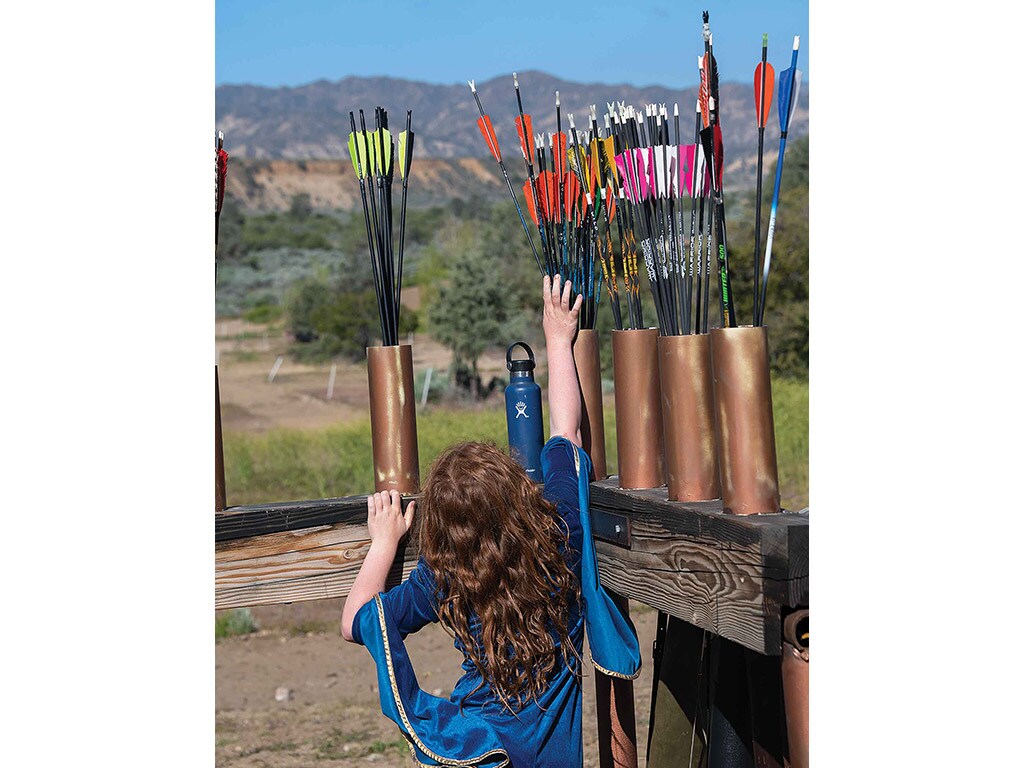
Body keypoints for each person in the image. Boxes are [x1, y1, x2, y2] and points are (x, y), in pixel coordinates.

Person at [341, 275, 639, 768]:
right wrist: (557, 338)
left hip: (481, 757)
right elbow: (567, 430)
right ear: (517, 490)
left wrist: (383, 543)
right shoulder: (559, 535)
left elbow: (356, 623)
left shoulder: (444, 577)